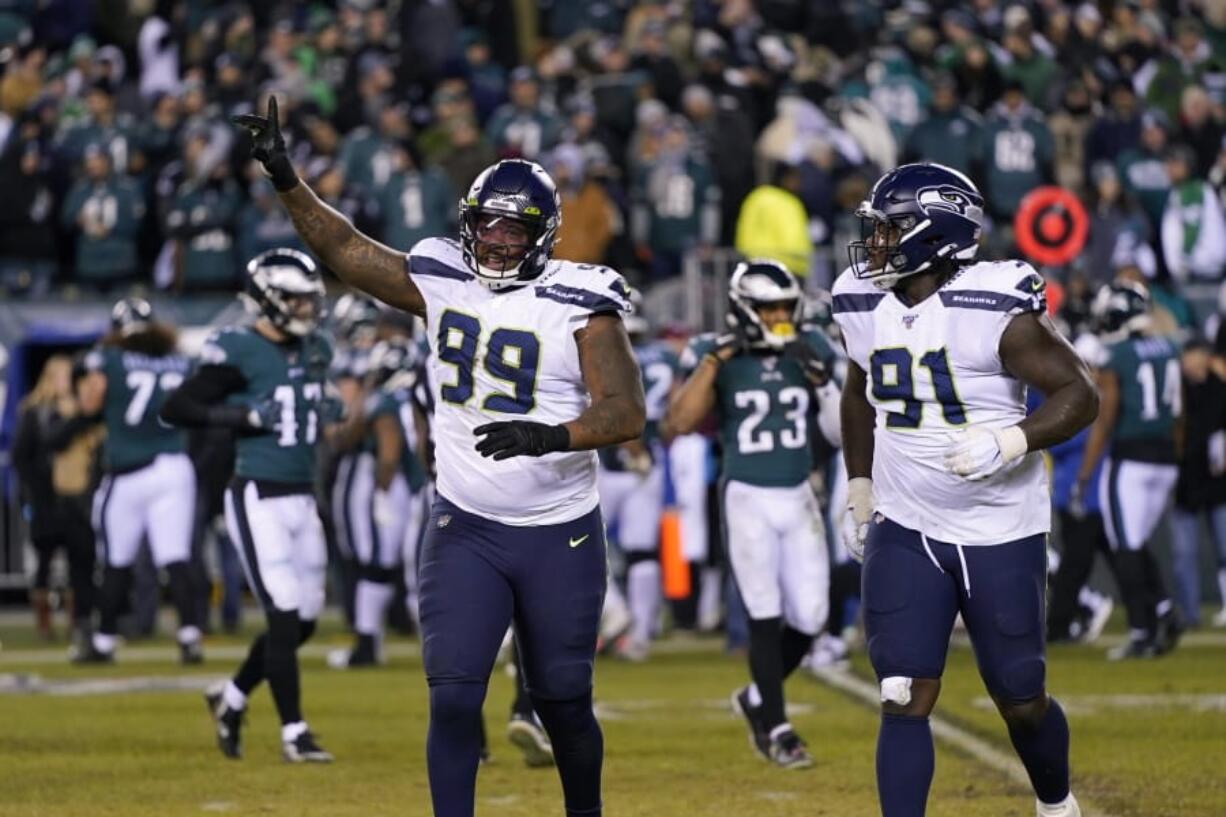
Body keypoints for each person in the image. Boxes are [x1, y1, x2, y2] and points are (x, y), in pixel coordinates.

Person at [232, 97, 645, 816]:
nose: (494, 239)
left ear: (542, 234)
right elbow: (343, 247)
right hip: (467, 526)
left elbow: (625, 410)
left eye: (512, 227)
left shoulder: (580, 299)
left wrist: (551, 435)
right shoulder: (441, 274)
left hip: (560, 530)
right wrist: (285, 177)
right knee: (454, 697)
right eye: (485, 222)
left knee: (562, 700)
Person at [833, 163, 1097, 817]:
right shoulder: (861, 302)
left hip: (998, 523)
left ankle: (1056, 803)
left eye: (888, 230)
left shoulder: (993, 306)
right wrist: (859, 484)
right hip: (906, 519)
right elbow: (857, 391)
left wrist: (1012, 439)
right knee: (902, 689)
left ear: (933, 234)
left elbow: (1079, 393)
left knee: (1020, 696)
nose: (873, 245)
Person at [161, 248, 337, 763]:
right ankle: (295, 733)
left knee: (302, 623)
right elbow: (178, 407)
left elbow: (312, 400)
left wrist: (328, 406)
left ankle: (232, 699)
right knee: (283, 618)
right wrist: (239, 416)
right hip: (257, 493)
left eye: (310, 300)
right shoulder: (238, 348)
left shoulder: (316, 349)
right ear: (267, 300)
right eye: (296, 300)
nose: (307, 310)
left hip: (303, 498)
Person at [667, 259, 841, 769]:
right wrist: (717, 361)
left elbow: (835, 431)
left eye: (786, 307)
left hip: (798, 492)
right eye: (770, 308)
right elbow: (677, 421)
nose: (781, 316)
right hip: (746, 494)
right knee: (764, 613)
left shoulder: (811, 346)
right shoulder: (712, 351)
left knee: (811, 617)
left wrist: (823, 379)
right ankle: (779, 728)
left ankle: (756, 698)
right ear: (745, 309)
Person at [72, 298, 202, 664]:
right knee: (176, 558)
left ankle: (104, 641)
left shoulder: (109, 358)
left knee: (116, 560)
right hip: (174, 465)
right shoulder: (180, 359)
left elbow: (89, 403)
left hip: (129, 470)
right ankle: (190, 637)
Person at [1076, 280, 1183, 659]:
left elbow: (1104, 420)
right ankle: (1164, 611)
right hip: (1166, 459)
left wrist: (1085, 474)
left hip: (1131, 461)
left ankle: (1142, 630)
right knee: (1134, 544)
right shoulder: (1169, 348)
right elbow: (1178, 416)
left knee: (1125, 546)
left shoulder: (1117, 355)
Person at [327, 337, 428, 668]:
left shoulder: (384, 399)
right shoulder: (423, 391)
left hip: (407, 489)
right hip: (430, 486)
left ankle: (370, 643)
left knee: (384, 565)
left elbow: (388, 453)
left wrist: (382, 494)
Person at [596, 289, 677, 662]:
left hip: (613, 459)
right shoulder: (664, 356)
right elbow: (674, 411)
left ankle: (617, 614)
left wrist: (632, 447)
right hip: (651, 463)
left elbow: (609, 404)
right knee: (643, 551)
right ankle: (640, 635)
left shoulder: (606, 351)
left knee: (587, 547)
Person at [10, 356, 95, 641]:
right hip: (45, 500)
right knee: (44, 563)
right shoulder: (34, 412)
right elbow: (21, 456)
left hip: (74, 499)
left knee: (78, 563)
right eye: (59, 376)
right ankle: (44, 625)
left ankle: (77, 621)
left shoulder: (80, 411)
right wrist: (34, 491)